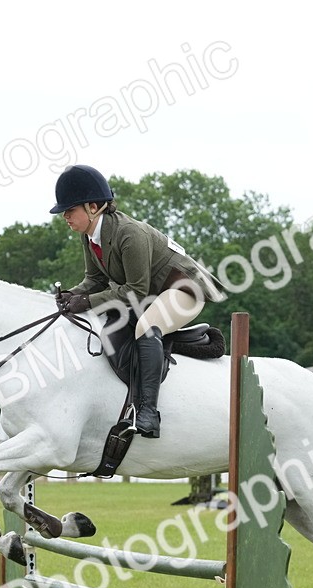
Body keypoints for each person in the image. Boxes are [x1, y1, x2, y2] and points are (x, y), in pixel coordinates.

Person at [49, 164, 226, 438]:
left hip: (184, 289)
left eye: (69, 211)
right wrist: (72, 294)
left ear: (93, 207)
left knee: (146, 327)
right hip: (153, 293)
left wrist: (87, 301)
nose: (65, 217)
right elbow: (94, 280)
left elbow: (135, 291)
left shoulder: (129, 234)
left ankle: (148, 413)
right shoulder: (89, 237)